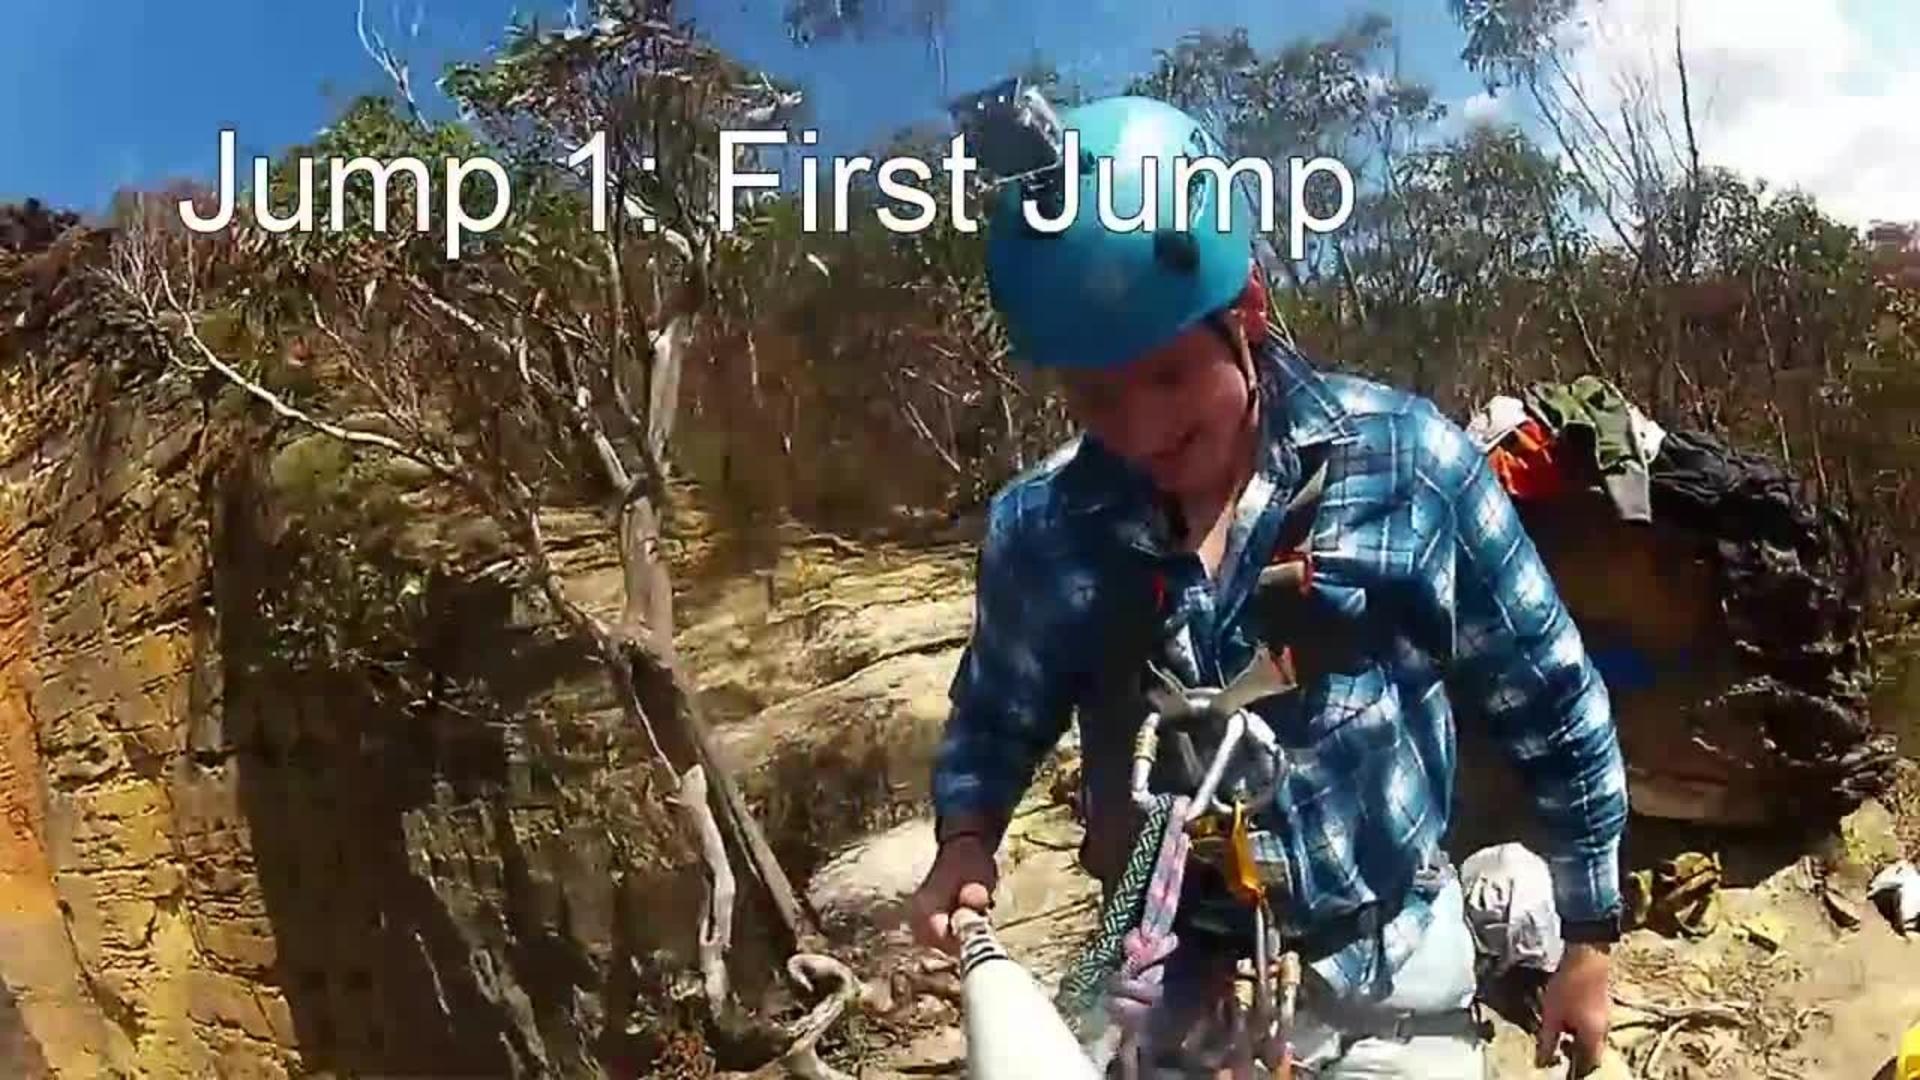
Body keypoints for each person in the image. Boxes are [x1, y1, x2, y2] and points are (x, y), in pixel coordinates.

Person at [907, 90, 1629, 1078]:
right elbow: (995, 718)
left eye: (1169, 375)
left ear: (1244, 311)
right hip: (1176, 988)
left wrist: (1588, 940)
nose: (1141, 429)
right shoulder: (1044, 532)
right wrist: (967, 837)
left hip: (1389, 978)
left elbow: (1551, 698)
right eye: (1095, 395)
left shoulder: (1409, 466)